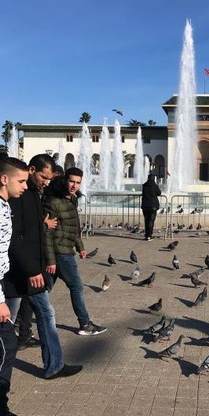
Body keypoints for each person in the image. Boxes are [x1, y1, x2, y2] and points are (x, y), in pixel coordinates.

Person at [5, 154, 83, 380]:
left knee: (45, 313)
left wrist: (43, 226)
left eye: (49, 178)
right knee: (7, 322)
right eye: (43, 177)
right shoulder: (18, 195)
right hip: (19, 273)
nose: (47, 182)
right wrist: (32, 269)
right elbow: (16, 238)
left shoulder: (33, 193)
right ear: (31, 170)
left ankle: (54, 365)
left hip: (31, 270)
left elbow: (30, 230)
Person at [43, 167, 106, 336]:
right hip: (60, 251)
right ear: (65, 180)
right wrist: (50, 260)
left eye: (78, 182)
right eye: (71, 181)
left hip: (65, 249)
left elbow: (73, 226)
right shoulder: (53, 201)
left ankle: (20, 323)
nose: (74, 185)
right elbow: (47, 233)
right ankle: (84, 324)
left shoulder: (72, 199)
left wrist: (80, 246)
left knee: (42, 289)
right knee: (76, 286)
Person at [0, 157, 29, 416]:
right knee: (7, 346)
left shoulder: (6, 205)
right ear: (4, 179)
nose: (25, 186)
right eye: (21, 181)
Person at [141, 174, 161, 241]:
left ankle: (146, 235)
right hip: (153, 206)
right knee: (151, 221)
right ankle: (149, 235)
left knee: (146, 221)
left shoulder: (144, 185)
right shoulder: (155, 186)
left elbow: (143, 193)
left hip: (145, 206)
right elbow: (159, 193)